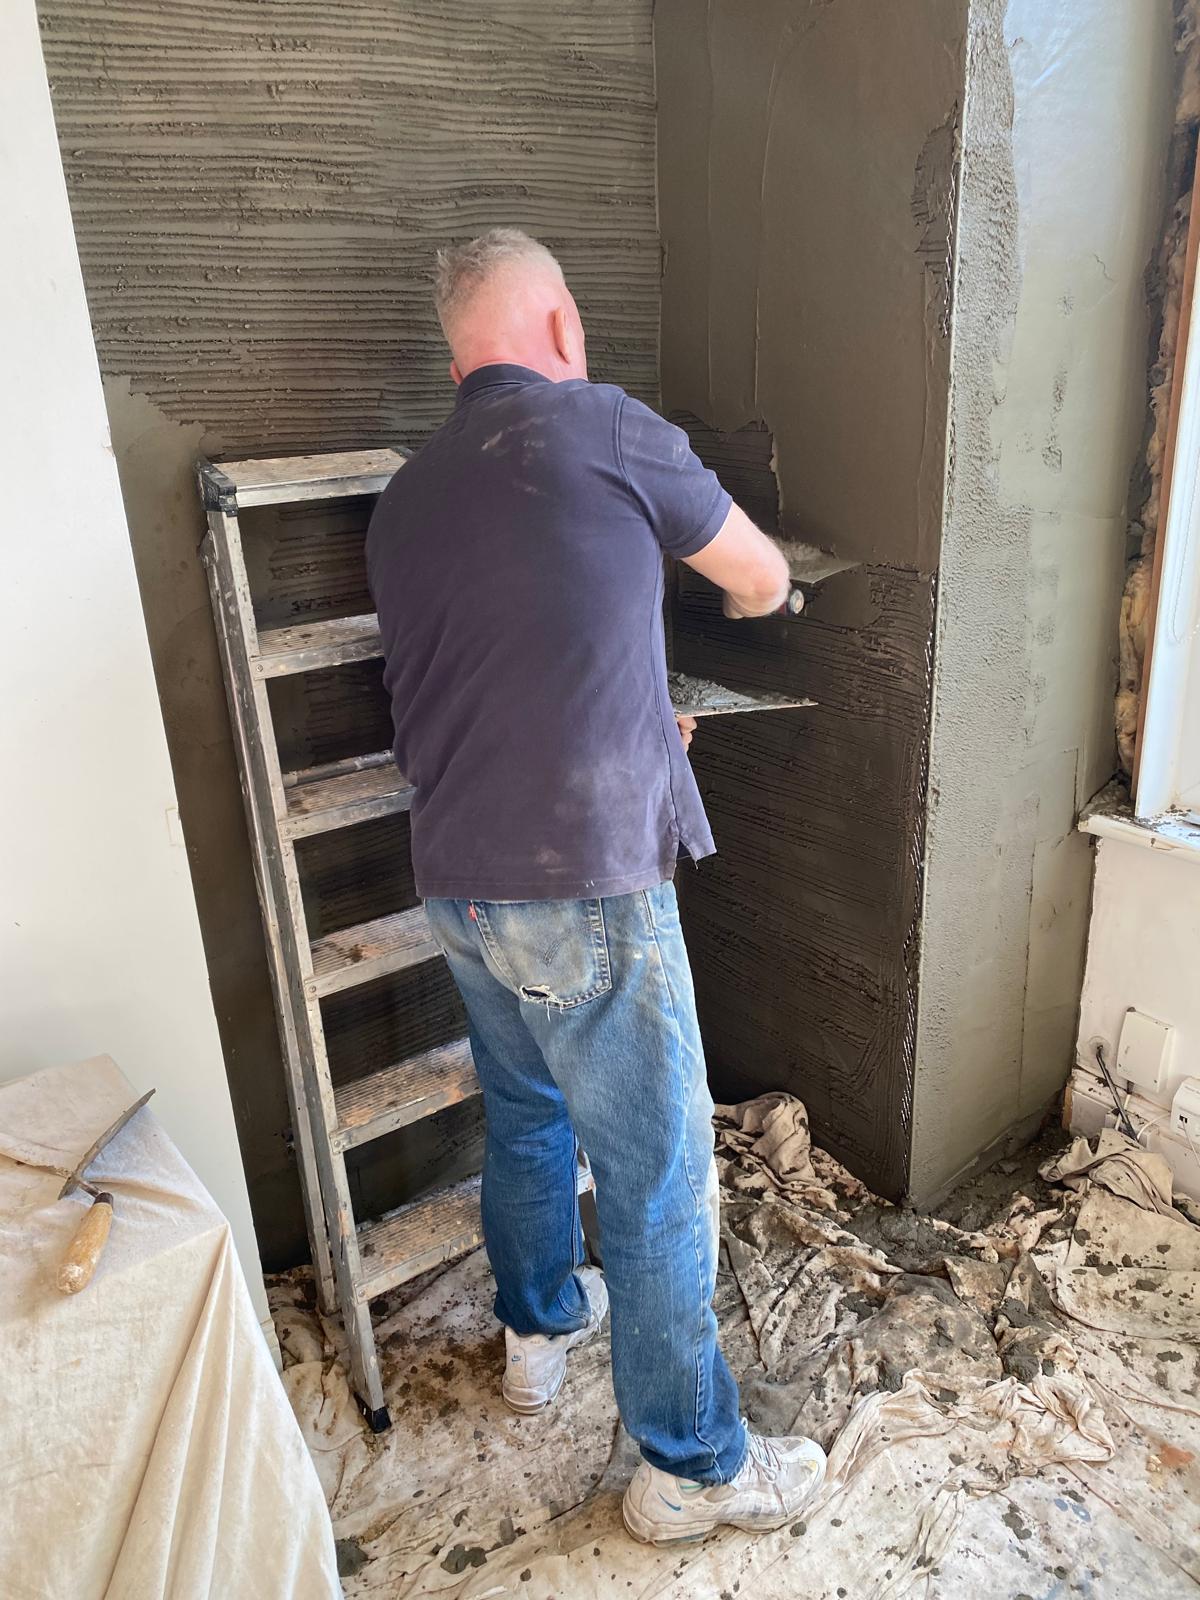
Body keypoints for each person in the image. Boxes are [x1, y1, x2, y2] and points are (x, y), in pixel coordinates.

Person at [365, 228, 826, 1544]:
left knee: (526, 1119)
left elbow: (495, 666)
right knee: (660, 1173)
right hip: (583, 884)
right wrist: (767, 599)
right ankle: (690, 1467)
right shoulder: (606, 428)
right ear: (561, 329)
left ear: (459, 350)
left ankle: (536, 1337)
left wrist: (631, 717)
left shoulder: (406, 497)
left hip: (457, 884)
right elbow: (758, 572)